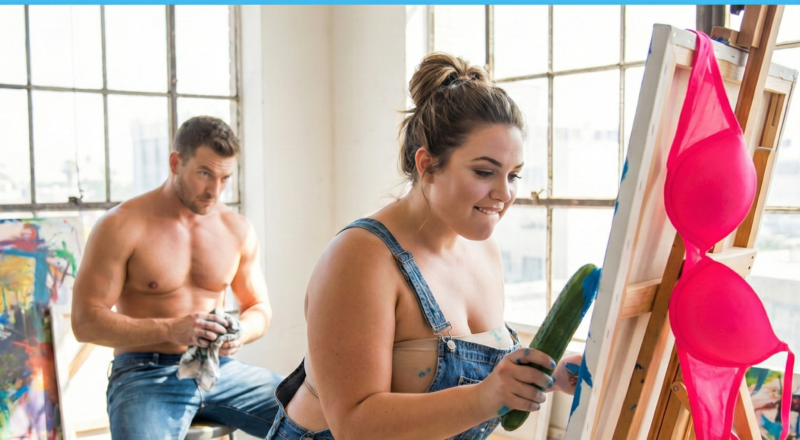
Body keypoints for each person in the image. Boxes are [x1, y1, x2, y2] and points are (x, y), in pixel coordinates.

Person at [267, 53, 581, 440]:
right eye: (485, 172)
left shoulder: (485, 251)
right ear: (427, 165)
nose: (504, 193)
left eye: (513, 175)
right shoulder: (360, 258)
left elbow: (478, 387)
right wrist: (486, 397)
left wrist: (541, 375)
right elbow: (354, 424)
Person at [72, 116, 283, 439]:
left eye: (225, 178)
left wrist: (240, 331)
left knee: (323, 418)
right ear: (175, 163)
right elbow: (85, 322)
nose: (214, 190)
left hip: (221, 370)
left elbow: (259, 308)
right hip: (144, 372)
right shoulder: (121, 226)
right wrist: (172, 328)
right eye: (204, 174)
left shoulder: (236, 228)